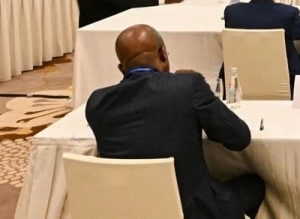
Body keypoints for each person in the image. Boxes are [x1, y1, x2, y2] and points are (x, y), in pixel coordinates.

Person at [87, 24, 265, 218]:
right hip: (193, 211)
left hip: (129, 210)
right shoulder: (188, 86)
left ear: (122, 68)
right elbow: (239, 138)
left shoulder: (97, 103)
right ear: (163, 54)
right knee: (254, 185)